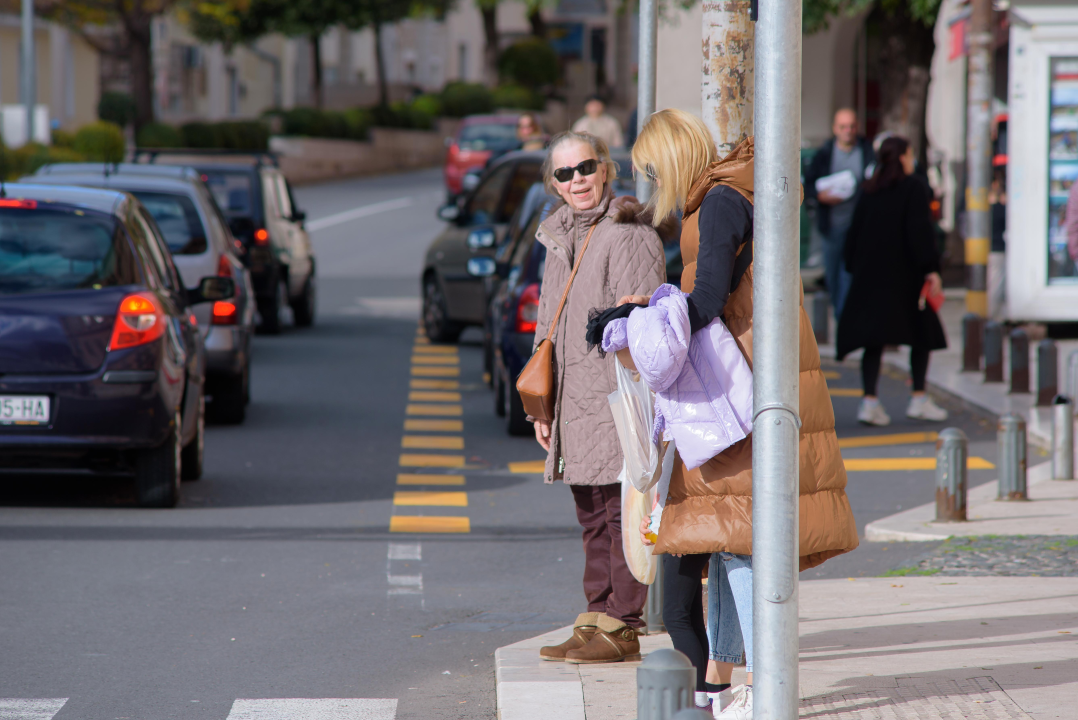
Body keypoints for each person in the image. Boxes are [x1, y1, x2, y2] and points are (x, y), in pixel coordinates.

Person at [626, 109, 860, 719]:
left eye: (653, 170)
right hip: (745, 379)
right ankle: (731, 682)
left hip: (739, 388)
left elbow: (705, 300)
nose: (654, 184)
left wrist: (639, 322)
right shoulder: (724, 195)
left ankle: (762, 683)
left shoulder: (721, 203)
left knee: (741, 543)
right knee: (730, 538)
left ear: (673, 159)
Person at [532, 130, 666, 664]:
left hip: (614, 398)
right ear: (555, 184)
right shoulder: (559, 236)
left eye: (585, 168)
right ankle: (595, 619)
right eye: (564, 174)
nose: (577, 180)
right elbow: (547, 325)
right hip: (572, 401)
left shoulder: (627, 235)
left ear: (605, 169)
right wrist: (541, 407)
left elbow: (640, 328)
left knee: (620, 516)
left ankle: (624, 626)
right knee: (591, 515)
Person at [836, 135, 949, 426]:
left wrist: (853, 266)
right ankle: (919, 397)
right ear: (901, 157)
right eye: (910, 155)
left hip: (872, 277)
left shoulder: (870, 189)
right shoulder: (914, 188)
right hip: (906, 277)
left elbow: (854, 232)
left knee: (874, 341)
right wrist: (931, 268)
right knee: (921, 334)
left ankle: (869, 401)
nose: (913, 161)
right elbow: (920, 231)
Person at [804, 109, 876, 317]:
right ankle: (840, 315)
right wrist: (820, 197)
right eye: (843, 127)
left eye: (851, 126)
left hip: (859, 228)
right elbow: (809, 183)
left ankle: (848, 318)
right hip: (832, 226)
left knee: (852, 275)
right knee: (834, 275)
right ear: (835, 129)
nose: (848, 131)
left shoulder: (867, 151)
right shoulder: (825, 154)